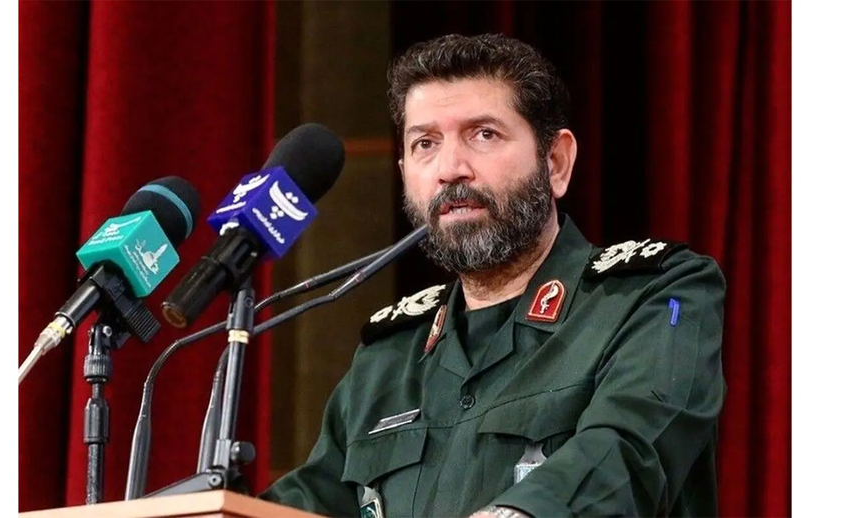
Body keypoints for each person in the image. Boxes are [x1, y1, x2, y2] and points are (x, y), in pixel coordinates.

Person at [259, 33, 726, 518]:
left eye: (484, 134)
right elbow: (310, 501)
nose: (450, 169)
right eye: (425, 144)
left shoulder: (657, 296)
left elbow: (627, 453)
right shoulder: (388, 355)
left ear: (556, 162)